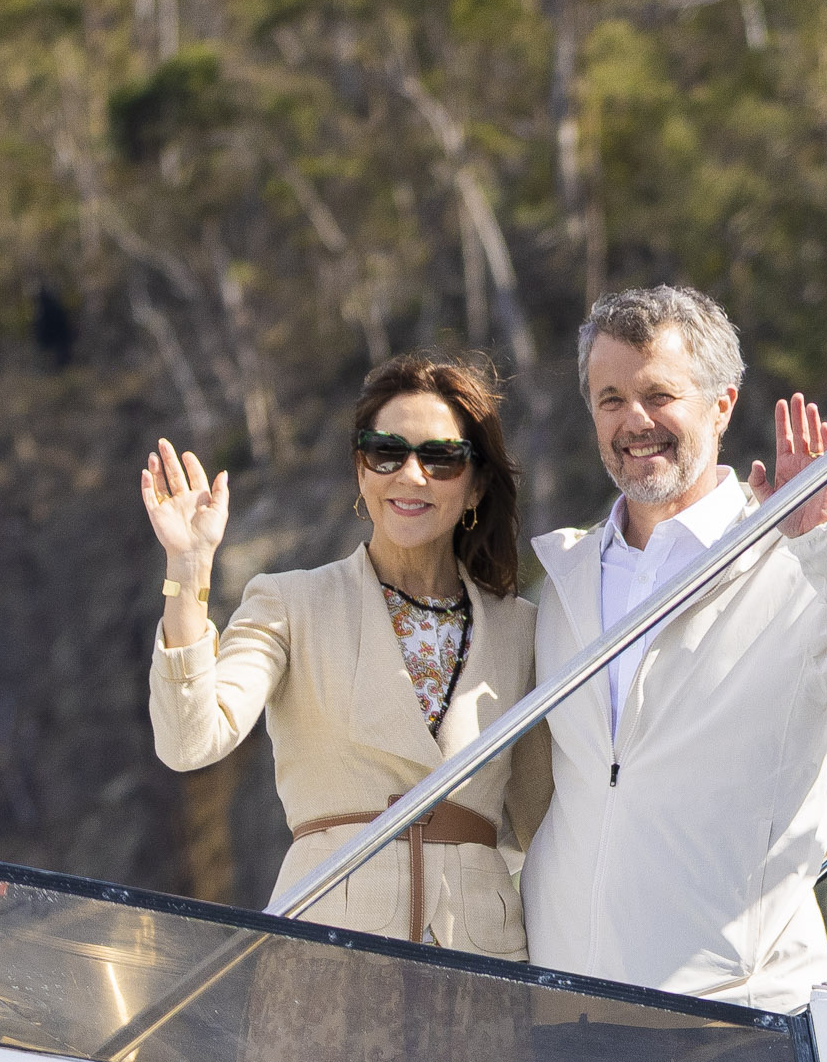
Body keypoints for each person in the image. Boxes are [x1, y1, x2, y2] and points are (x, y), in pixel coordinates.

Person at [519, 282, 827, 1003]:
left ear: (722, 404)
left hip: (735, 1017)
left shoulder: (802, 561)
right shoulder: (563, 580)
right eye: (610, 399)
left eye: (659, 395)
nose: (634, 421)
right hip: (563, 1008)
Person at [146, 354, 547, 951]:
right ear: (362, 472)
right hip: (328, 954)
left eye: (439, 458)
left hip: (484, 967)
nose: (411, 476)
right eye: (387, 452)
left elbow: (545, 826)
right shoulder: (289, 602)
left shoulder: (524, 632)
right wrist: (188, 569)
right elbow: (190, 742)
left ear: (476, 485)